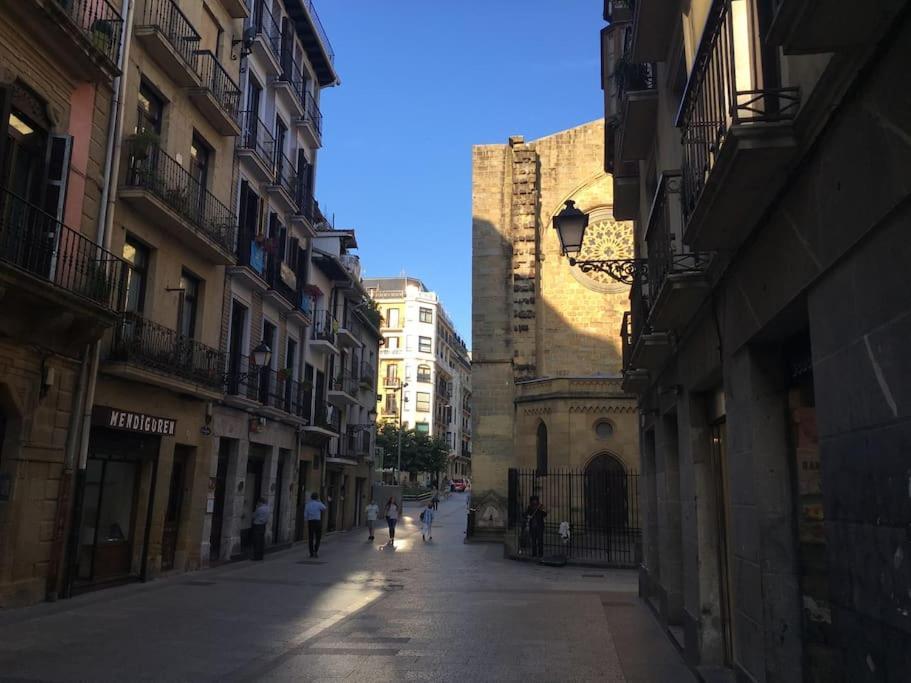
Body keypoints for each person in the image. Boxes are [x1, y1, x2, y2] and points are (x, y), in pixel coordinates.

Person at [305, 492, 327, 558]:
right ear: (317, 497)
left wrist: (307, 520)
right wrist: (319, 501)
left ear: (311, 497)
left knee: (310, 538)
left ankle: (311, 553)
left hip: (311, 522)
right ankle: (316, 550)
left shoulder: (308, 504)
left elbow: (305, 515)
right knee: (318, 537)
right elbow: (324, 508)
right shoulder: (318, 504)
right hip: (317, 522)